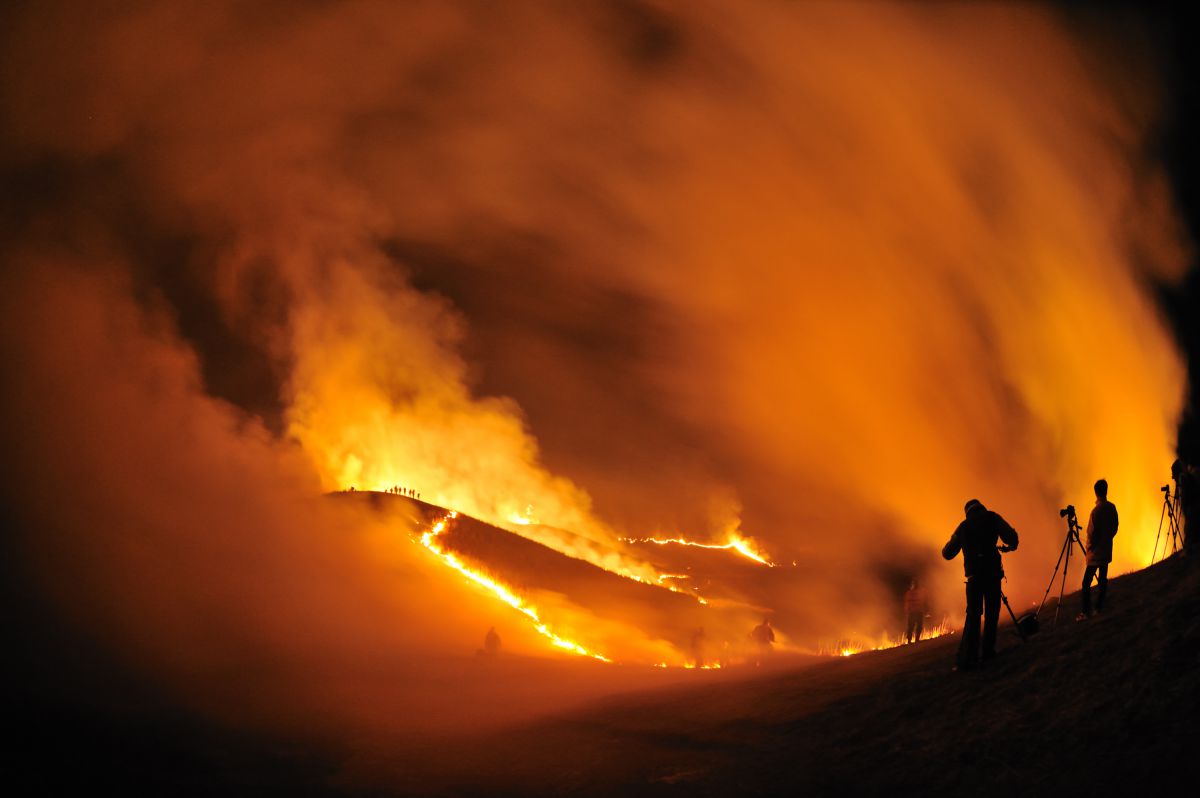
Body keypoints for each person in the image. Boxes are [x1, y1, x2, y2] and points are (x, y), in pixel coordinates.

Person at [942, 498, 1019, 670]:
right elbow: (1011, 537)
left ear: (967, 512)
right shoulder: (992, 517)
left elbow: (947, 553)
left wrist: (956, 540)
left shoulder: (963, 526)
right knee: (992, 613)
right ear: (981, 507)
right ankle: (988, 652)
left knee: (973, 616)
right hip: (992, 574)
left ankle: (968, 658)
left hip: (974, 578)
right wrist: (1010, 546)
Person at [1079, 479, 1118, 619]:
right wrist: (1107, 539)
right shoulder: (1111, 507)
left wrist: (1090, 547)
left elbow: (1091, 533)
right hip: (1106, 549)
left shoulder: (1096, 511)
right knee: (1102, 579)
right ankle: (1099, 608)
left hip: (1095, 554)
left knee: (1086, 583)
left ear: (1096, 493)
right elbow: (1115, 527)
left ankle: (1086, 611)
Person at [904, 578, 929, 643]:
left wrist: (907, 610)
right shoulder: (921, 592)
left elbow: (907, 602)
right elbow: (925, 601)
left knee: (911, 627)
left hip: (913, 612)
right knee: (918, 626)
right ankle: (916, 640)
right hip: (918, 612)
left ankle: (910, 640)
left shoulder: (909, 593)